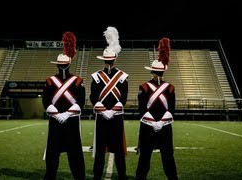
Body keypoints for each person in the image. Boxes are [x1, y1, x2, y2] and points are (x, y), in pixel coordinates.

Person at [42, 31, 86, 180]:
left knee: (74, 152)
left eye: (62, 64)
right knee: (54, 153)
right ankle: (51, 176)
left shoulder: (76, 80)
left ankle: (78, 176)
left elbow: (81, 102)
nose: (62, 67)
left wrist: (62, 115)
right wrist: (61, 115)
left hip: (65, 120)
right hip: (61, 120)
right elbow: (46, 102)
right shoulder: (52, 81)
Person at [135, 37, 178, 180]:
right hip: (165, 127)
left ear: (152, 72)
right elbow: (171, 111)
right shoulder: (170, 88)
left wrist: (153, 123)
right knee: (167, 158)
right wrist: (160, 123)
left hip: (148, 127)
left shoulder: (144, 87)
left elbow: (141, 110)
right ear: (163, 72)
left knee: (145, 158)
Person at [90, 26, 128, 180]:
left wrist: (113, 110)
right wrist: (103, 110)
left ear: (114, 59)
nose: (108, 63)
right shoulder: (96, 76)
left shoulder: (123, 77)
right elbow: (93, 96)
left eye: (110, 60)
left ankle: (122, 175)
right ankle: (97, 175)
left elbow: (124, 97)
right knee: (99, 149)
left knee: (118, 149)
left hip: (116, 116)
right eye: (107, 60)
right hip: (101, 116)